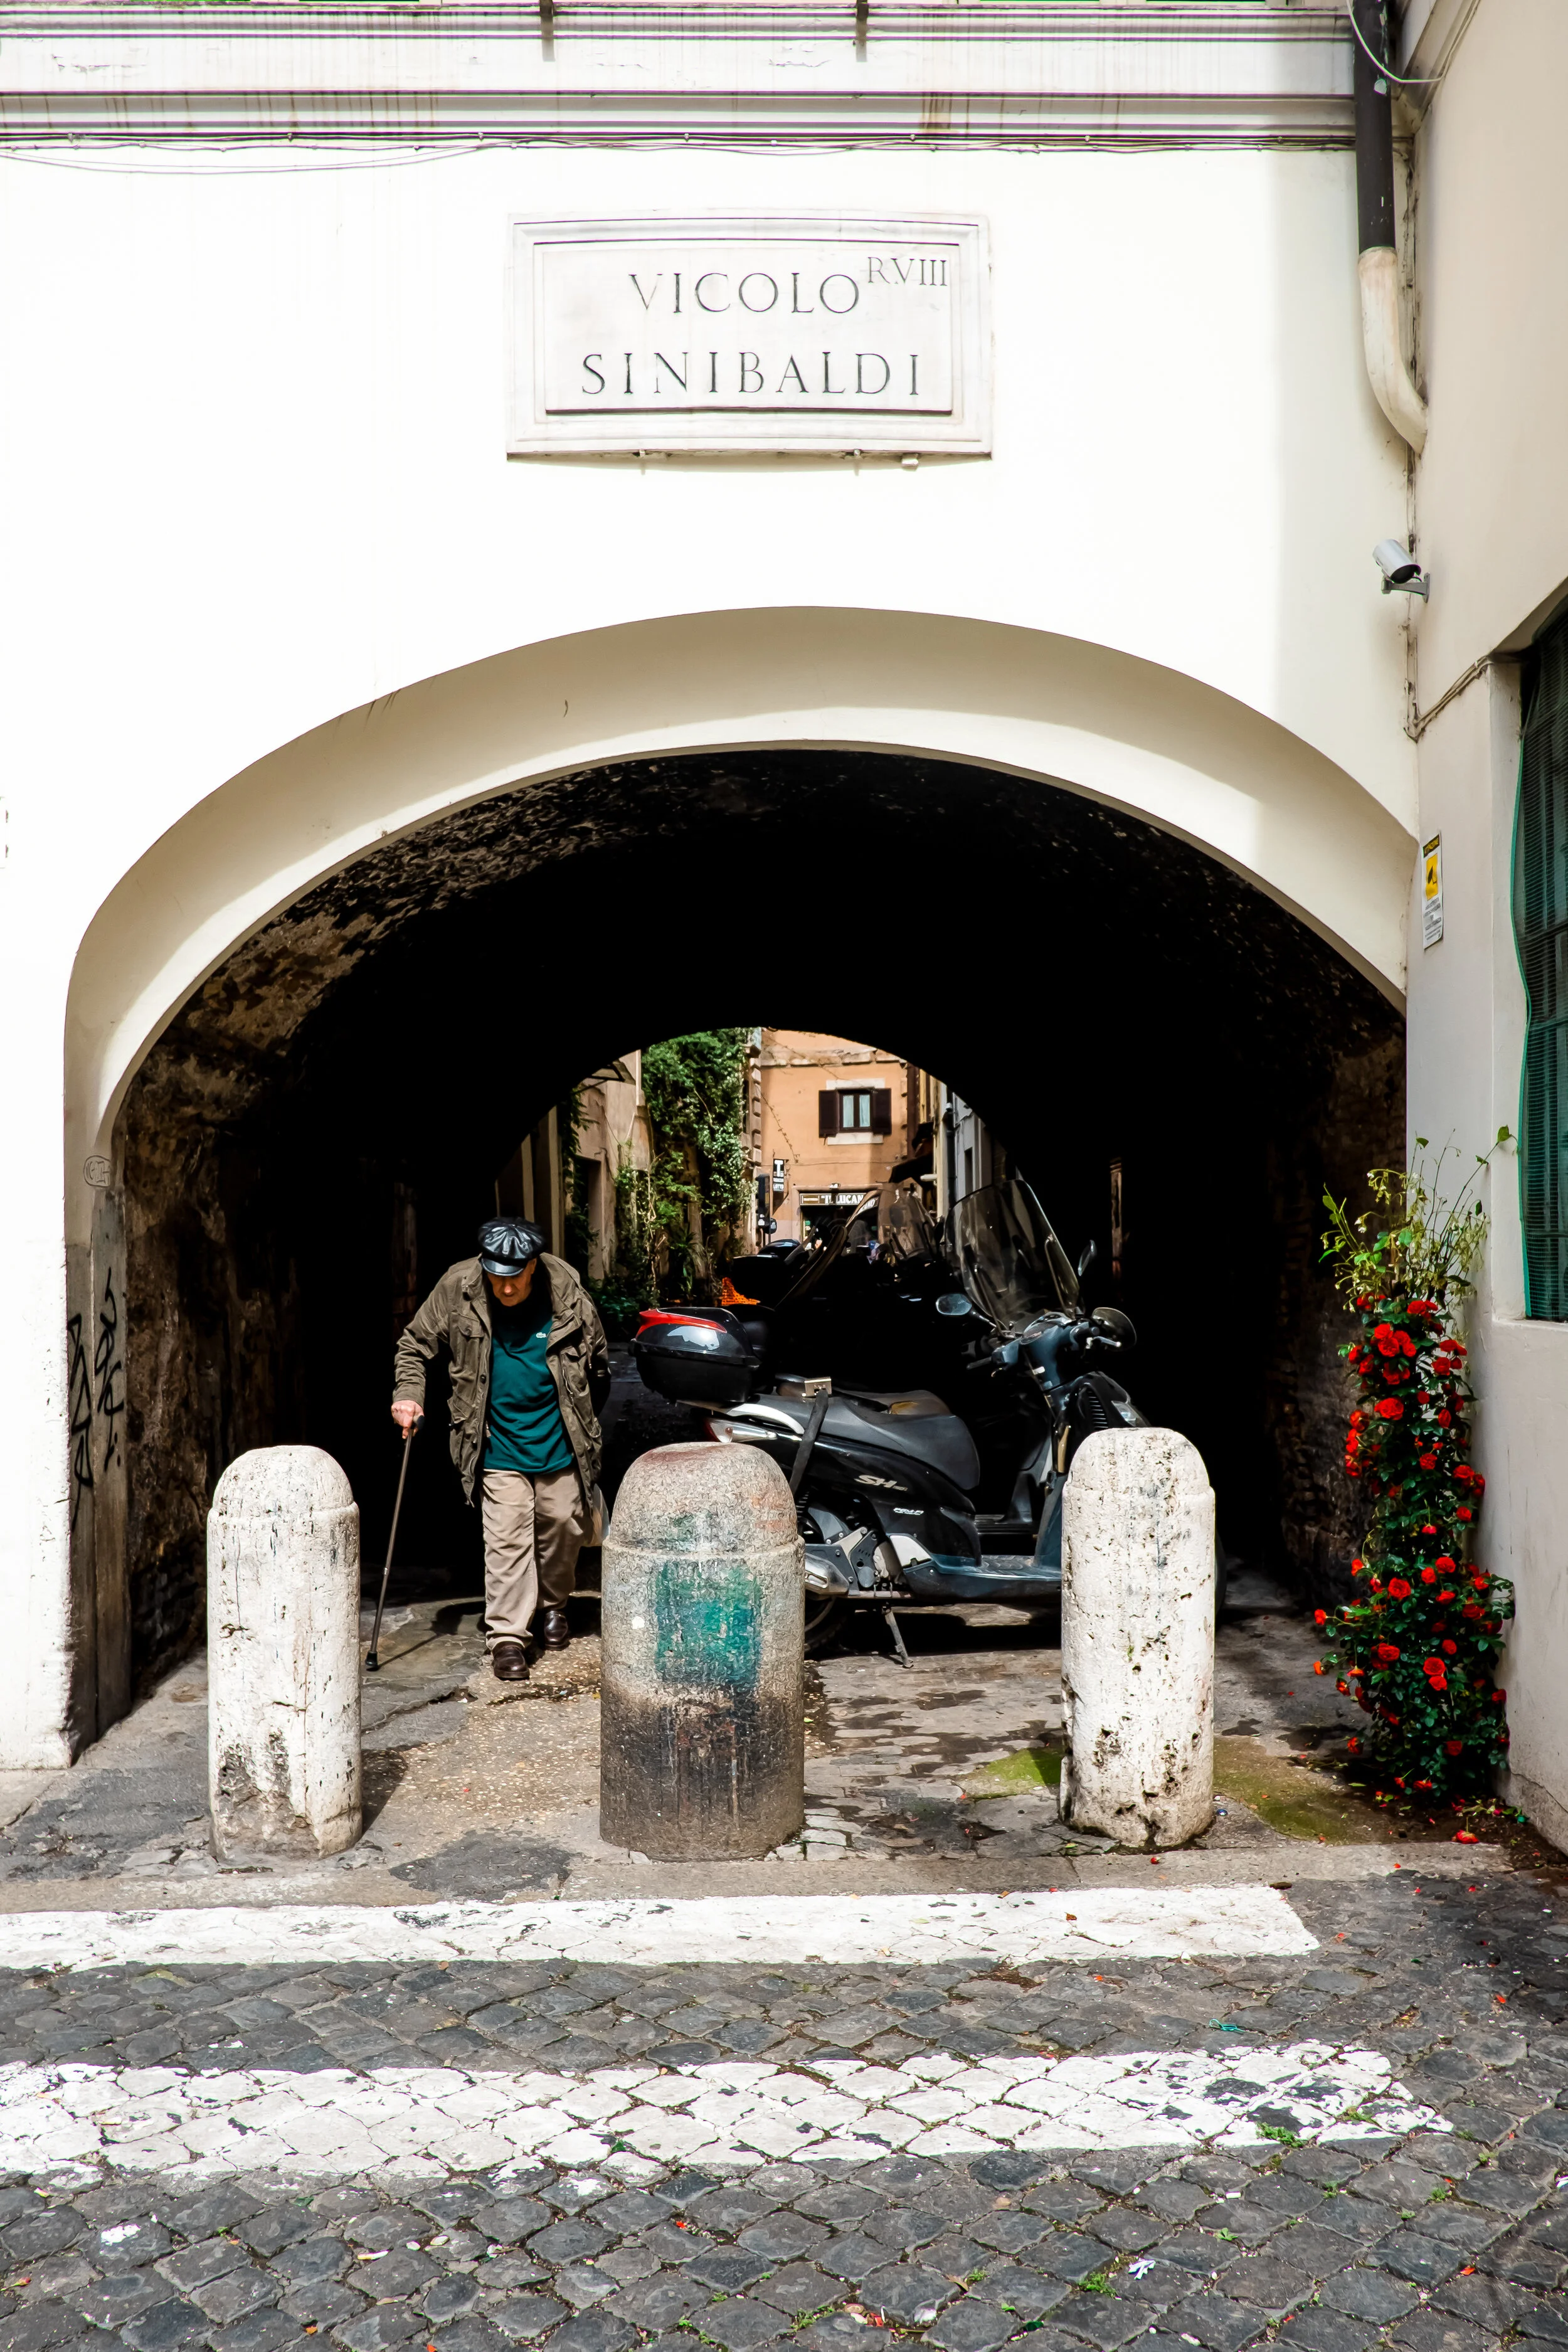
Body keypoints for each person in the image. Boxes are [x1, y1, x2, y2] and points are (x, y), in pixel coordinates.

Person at [392, 1217, 610, 1682]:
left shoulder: (565, 1287)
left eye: (514, 1277)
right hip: (495, 1443)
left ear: (533, 1266)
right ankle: (508, 1637)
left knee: (562, 1527)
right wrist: (408, 1393)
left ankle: (553, 1604)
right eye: (496, 1275)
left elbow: (598, 1362)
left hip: (558, 1440)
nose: (504, 1287)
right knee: (506, 1539)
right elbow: (414, 1344)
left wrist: (584, 1421)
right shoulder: (459, 1287)